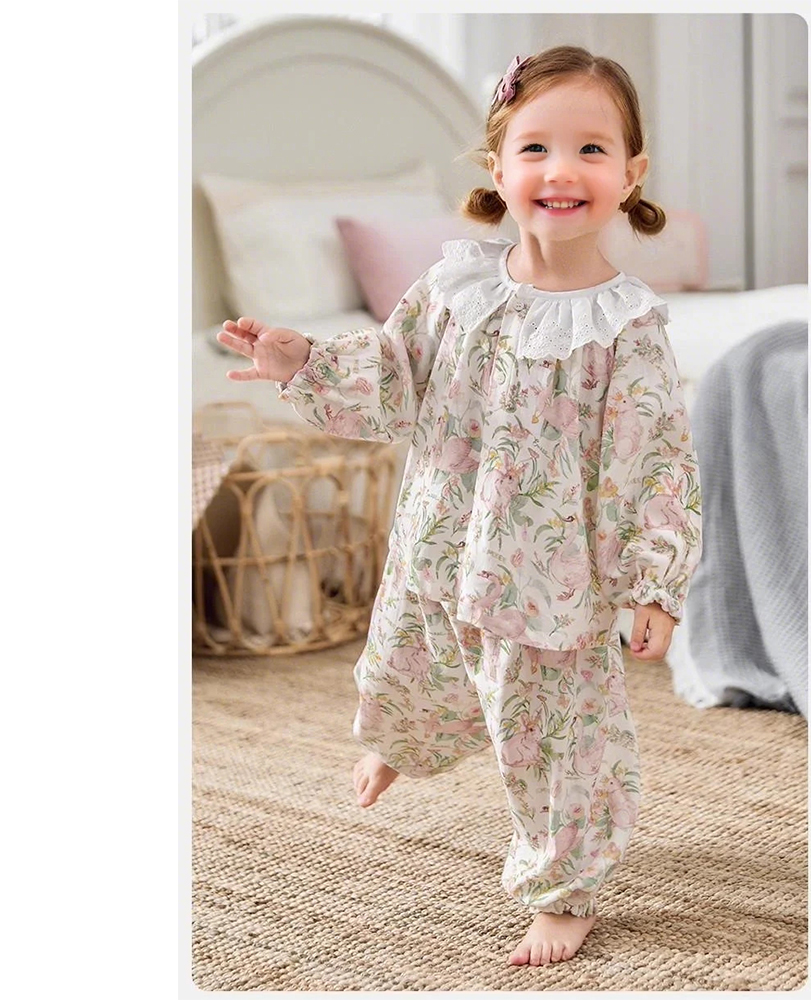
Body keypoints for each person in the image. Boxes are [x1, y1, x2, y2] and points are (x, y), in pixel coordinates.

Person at [216, 45, 702, 968]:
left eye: (592, 150)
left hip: (554, 577)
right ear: (497, 168)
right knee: (410, 655)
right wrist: (301, 360)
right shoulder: (453, 288)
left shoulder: (627, 324)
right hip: (442, 539)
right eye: (536, 148)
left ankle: (563, 886)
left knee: (555, 732)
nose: (561, 170)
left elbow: (658, 462)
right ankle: (401, 737)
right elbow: (391, 380)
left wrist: (655, 582)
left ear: (632, 174)